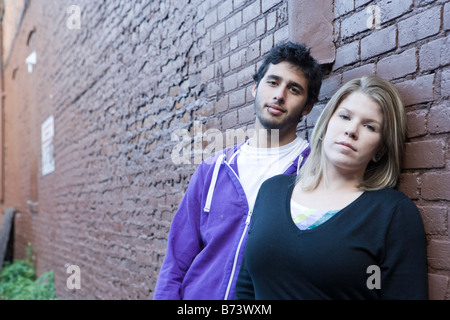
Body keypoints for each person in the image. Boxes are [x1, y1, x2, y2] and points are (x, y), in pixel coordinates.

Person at [153, 41, 323, 300]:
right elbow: (176, 262)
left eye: (294, 89)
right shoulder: (212, 170)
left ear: (307, 107)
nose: (279, 95)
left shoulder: (314, 170)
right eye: (273, 82)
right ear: (255, 88)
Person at [235, 75, 429, 300]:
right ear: (326, 123)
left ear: (381, 150)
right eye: (345, 116)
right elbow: (245, 290)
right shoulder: (271, 191)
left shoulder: (392, 213)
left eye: (369, 126)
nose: (352, 130)